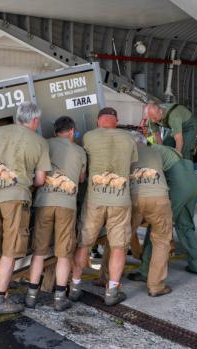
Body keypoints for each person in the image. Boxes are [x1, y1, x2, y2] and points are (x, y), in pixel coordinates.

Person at [0, 102, 51, 316]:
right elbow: (40, 180)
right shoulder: (39, 142)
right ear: (35, 121)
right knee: (9, 251)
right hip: (17, 199)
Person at [69, 107, 138, 306]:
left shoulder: (89, 137)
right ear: (116, 121)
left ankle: (74, 286)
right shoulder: (128, 139)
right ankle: (112, 291)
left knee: (84, 243)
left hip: (95, 200)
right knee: (118, 246)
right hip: (120, 201)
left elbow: (84, 164)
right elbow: (132, 165)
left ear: (99, 121)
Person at [99, 131, 174, 297]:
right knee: (162, 241)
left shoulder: (126, 152)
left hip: (134, 198)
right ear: (143, 141)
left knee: (118, 239)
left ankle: (105, 278)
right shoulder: (155, 152)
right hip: (159, 197)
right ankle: (156, 286)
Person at [24, 116, 86, 311]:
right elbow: (82, 178)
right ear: (71, 131)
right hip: (67, 206)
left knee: (39, 252)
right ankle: (59, 298)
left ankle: (31, 296)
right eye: (74, 133)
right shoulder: (79, 151)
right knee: (64, 254)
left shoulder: (44, 144)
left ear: (55, 132)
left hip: (44, 203)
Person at [129, 143, 197, 281]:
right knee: (185, 226)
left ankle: (145, 270)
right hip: (191, 183)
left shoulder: (148, 152)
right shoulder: (162, 148)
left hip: (177, 185)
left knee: (156, 226)